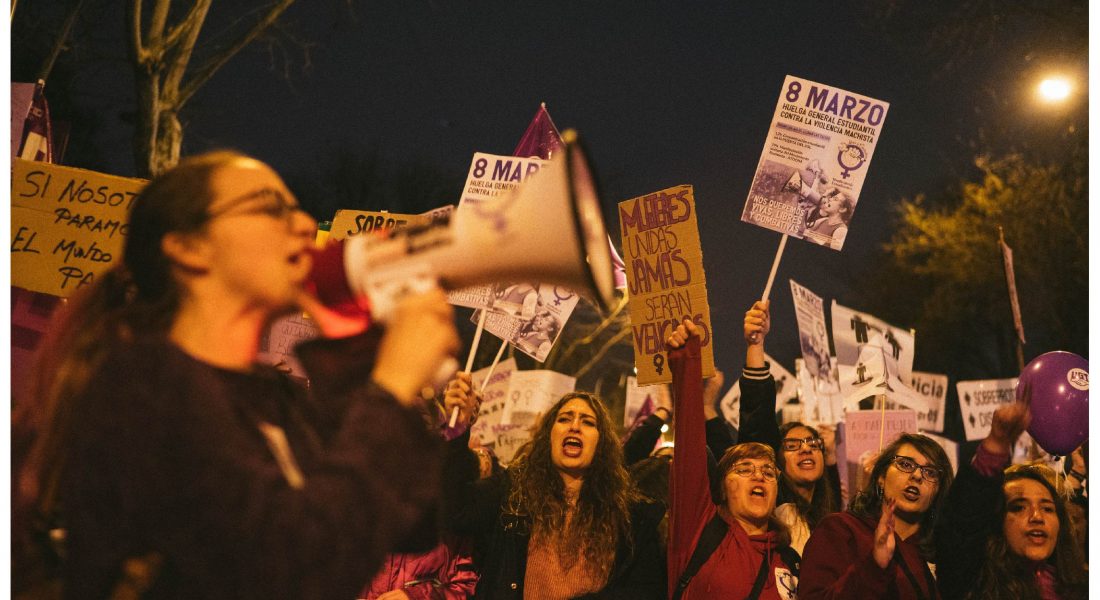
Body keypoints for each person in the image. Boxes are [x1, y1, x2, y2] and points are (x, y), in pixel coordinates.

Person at [12, 151, 460, 599]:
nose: (306, 224)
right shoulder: (142, 385)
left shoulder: (273, 397)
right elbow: (287, 564)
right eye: (270, 207)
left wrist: (355, 353)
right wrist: (392, 384)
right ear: (189, 248)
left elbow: (409, 524)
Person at [441, 383, 666, 599]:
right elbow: (456, 510)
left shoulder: (629, 516)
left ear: (602, 444)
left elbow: (644, 591)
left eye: (588, 422)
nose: (574, 426)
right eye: (564, 419)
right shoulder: (514, 490)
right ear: (549, 436)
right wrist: (457, 430)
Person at [667, 318, 798, 600]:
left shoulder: (791, 561)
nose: (759, 475)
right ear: (722, 487)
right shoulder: (699, 529)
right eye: (744, 469)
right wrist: (686, 364)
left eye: (768, 471)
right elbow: (689, 446)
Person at [935, 399, 1087, 599]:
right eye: (1018, 507)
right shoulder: (974, 583)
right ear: (998, 523)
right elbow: (963, 524)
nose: (1036, 517)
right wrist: (996, 443)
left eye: (1048, 509)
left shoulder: (1083, 588)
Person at [738, 300, 841, 554]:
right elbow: (757, 420)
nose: (806, 450)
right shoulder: (769, 511)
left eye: (812, 444)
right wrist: (756, 345)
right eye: (793, 445)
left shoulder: (832, 519)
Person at [799, 433, 953, 599]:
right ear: (881, 477)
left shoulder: (942, 553)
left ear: (939, 490)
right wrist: (874, 565)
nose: (916, 476)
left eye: (930, 473)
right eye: (905, 464)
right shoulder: (841, 529)